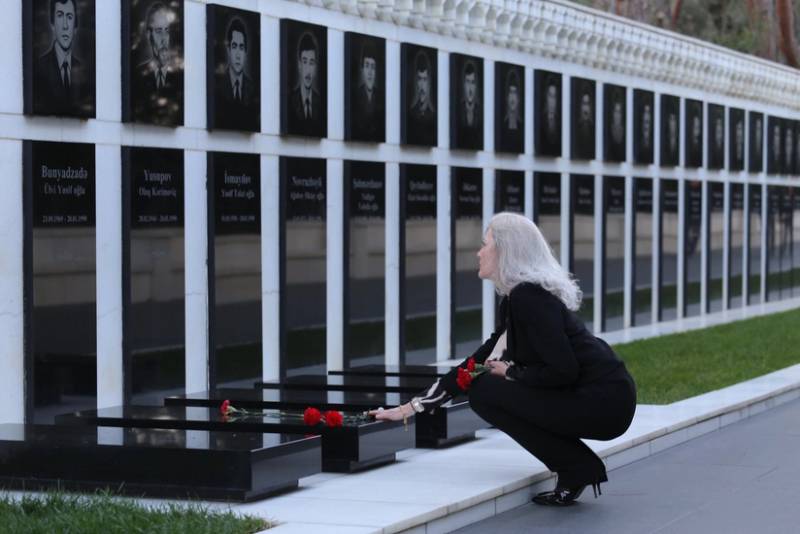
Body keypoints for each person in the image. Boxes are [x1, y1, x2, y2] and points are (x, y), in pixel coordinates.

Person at [372, 212, 637, 506]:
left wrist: (512, 374)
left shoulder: (529, 298)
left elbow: (564, 370)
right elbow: (474, 365)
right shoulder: (517, 300)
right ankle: (576, 468)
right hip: (597, 396)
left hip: (604, 400)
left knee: (485, 390)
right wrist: (410, 408)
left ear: (505, 251)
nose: (479, 252)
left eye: (486, 244)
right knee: (482, 387)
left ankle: (575, 468)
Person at [34, 0, 91, 116]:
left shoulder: (83, 70)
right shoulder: (39, 67)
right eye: (60, 16)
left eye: (69, 17)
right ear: (52, 24)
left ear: (75, 27)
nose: (65, 25)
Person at [132, 1, 182, 124]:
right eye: (159, 31)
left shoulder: (180, 74)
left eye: (167, 31)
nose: (164, 38)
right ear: (149, 34)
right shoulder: (138, 72)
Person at [214, 17, 257, 131]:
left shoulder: (252, 89)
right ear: (228, 50)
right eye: (234, 46)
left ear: (246, 52)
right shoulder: (218, 86)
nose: (238, 54)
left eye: (241, 47)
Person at [290, 31, 323, 136]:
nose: (308, 70)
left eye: (311, 63)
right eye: (305, 62)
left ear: (316, 67)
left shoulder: (321, 103)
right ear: (299, 65)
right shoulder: (291, 100)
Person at [351, 42, 383, 140]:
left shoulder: (381, 98)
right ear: (362, 69)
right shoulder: (355, 96)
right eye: (367, 66)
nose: (370, 72)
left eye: (373, 67)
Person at [407, 49, 436, 144]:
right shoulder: (411, 112)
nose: (422, 85)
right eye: (419, 79)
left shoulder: (432, 113)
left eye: (425, 79)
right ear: (415, 82)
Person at [457, 60, 481, 148]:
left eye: (473, 82)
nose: (470, 88)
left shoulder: (479, 111)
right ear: (463, 84)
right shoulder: (458, 111)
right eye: (467, 82)